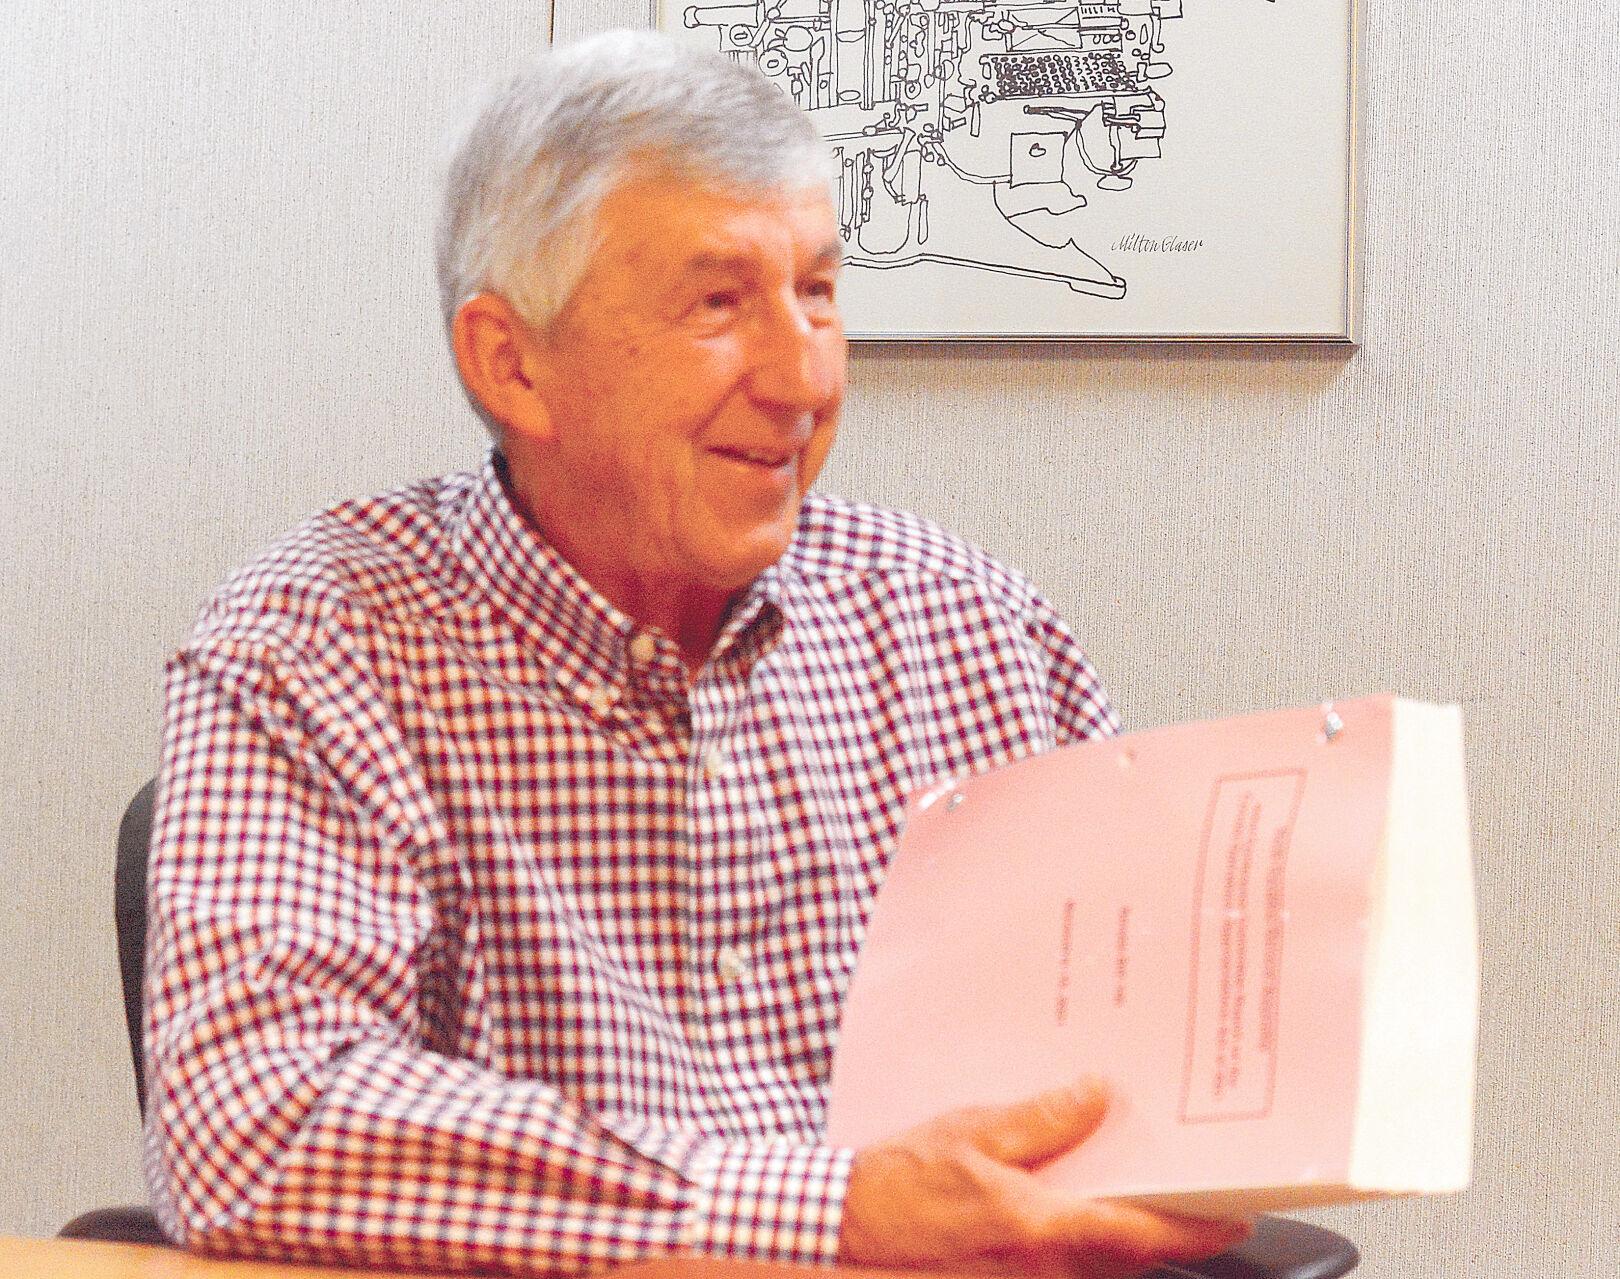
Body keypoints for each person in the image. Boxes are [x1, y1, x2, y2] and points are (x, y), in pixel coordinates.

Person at [143, 30, 1250, 1278]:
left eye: (819, 291)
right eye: (719, 303)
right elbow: (257, 1124)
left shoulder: (970, 624)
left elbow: (1139, 1064)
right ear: (512, 362)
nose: (804, 374)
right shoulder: (319, 646)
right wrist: (833, 1210)